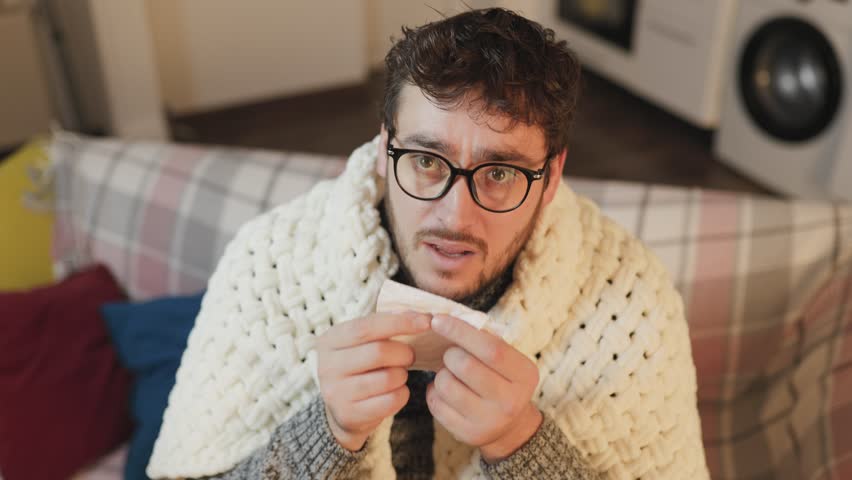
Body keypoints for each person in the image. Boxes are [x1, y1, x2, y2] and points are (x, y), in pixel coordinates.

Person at [146, 7, 709, 480]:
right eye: (424, 160)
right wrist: (329, 433)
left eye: (501, 173)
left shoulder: (629, 293)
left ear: (553, 176)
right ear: (385, 145)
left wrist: (521, 442)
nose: (454, 216)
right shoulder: (269, 262)